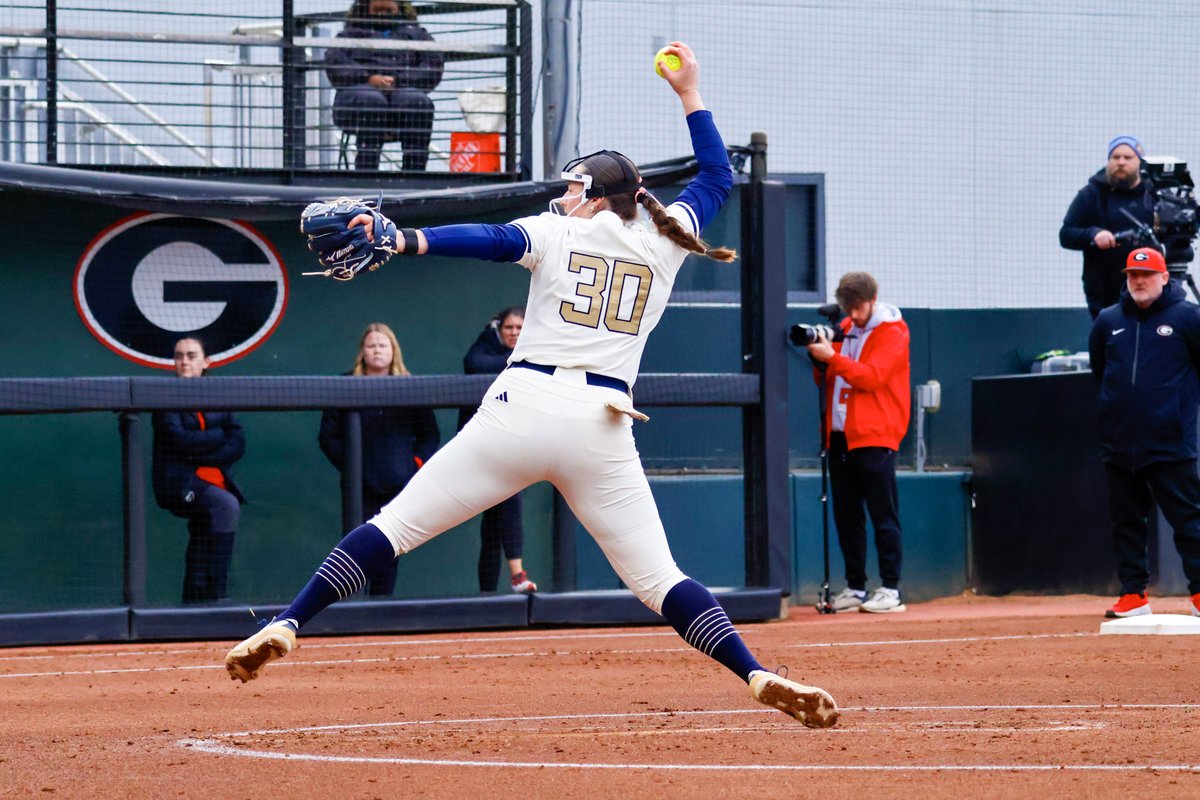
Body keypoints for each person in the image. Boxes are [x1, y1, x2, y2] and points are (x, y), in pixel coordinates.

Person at [226, 42, 839, 729]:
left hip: (523, 408)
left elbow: (486, 238)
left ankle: (288, 622)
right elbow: (718, 175)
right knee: (660, 580)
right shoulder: (668, 240)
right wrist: (690, 94)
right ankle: (754, 672)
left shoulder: (558, 232)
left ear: (602, 198)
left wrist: (403, 241)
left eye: (576, 186)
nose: (563, 194)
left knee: (392, 527)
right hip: (603, 422)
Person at [1088, 247, 1200, 620]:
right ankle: (1133, 594)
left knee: (1189, 520)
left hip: (1170, 442)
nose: (1138, 281)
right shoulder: (1108, 320)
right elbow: (1100, 372)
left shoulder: (1187, 317)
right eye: (1133, 275)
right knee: (1126, 522)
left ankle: (1199, 592)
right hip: (1119, 444)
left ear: (1165, 277)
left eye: (1147, 275)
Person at [806, 272, 911, 614]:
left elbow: (872, 376)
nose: (855, 313)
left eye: (859, 307)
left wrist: (831, 357)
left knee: (883, 513)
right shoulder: (846, 328)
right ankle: (855, 586)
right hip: (839, 435)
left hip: (876, 434)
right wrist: (818, 357)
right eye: (849, 308)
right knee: (847, 514)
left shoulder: (894, 331)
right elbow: (828, 376)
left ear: (873, 298)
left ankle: (891, 589)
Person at [318, 323, 440, 597]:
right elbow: (328, 437)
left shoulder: (411, 386)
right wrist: (352, 469)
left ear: (392, 350)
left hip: (399, 484)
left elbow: (429, 435)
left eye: (382, 345)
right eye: (371, 345)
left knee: (389, 548)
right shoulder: (345, 385)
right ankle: (353, 606)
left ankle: (381, 604)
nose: (377, 350)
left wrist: (413, 467)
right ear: (363, 351)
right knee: (355, 548)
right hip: (359, 487)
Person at [151, 337, 246, 604]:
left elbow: (238, 442)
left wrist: (203, 448)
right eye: (179, 355)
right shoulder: (163, 397)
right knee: (227, 506)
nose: (184, 361)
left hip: (212, 479)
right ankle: (217, 593)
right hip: (177, 482)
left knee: (206, 525)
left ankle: (194, 600)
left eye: (191, 356)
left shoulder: (219, 395)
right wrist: (218, 436)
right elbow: (179, 442)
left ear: (206, 362)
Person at [458, 307, 537, 594]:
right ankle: (515, 577)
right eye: (509, 328)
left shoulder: (539, 350)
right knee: (497, 516)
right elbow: (474, 364)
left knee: (494, 523)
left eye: (520, 328)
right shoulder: (485, 348)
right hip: (479, 448)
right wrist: (518, 361)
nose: (514, 333)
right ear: (498, 329)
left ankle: (489, 594)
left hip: (515, 446)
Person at [325, 0, 444, 171]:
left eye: (387, 10)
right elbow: (336, 63)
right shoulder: (349, 35)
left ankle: (413, 173)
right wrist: (368, 78)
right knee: (371, 100)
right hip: (358, 99)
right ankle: (366, 172)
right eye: (378, 9)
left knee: (418, 102)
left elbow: (433, 64)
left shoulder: (416, 34)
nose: (382, 13)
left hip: (402, 93)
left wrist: (399, 81)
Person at [1060, 135, 1156, 319]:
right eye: (1116, 157)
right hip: (1105, 291)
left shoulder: (1153, 194)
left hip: (1150, 287)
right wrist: (1093, 234)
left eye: (1128, 158)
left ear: (1139, 162)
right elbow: (1066, 234)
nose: (1121, 162)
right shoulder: (1092, 194)